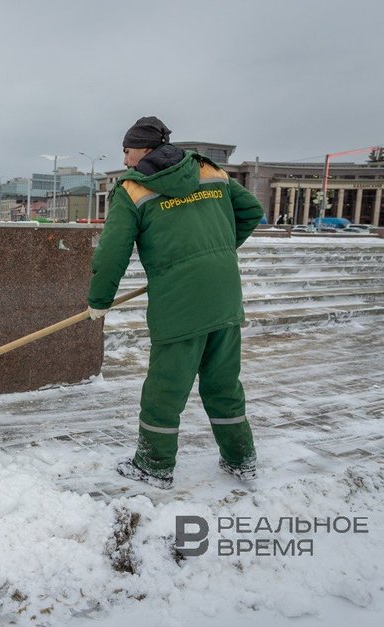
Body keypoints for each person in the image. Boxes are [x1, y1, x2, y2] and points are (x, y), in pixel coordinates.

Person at [87, 116, 263, 489]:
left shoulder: (132, 189)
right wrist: (215, 253)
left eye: (128, 149)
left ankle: (154, 466)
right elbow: (251, 212)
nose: (125, 158)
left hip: (180, 304)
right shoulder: (210, 171)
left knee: (165, 389)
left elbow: (112, 252)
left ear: (145, 149)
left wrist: (99, 300)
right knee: (223, 384)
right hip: (225, 296)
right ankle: (241, 459)